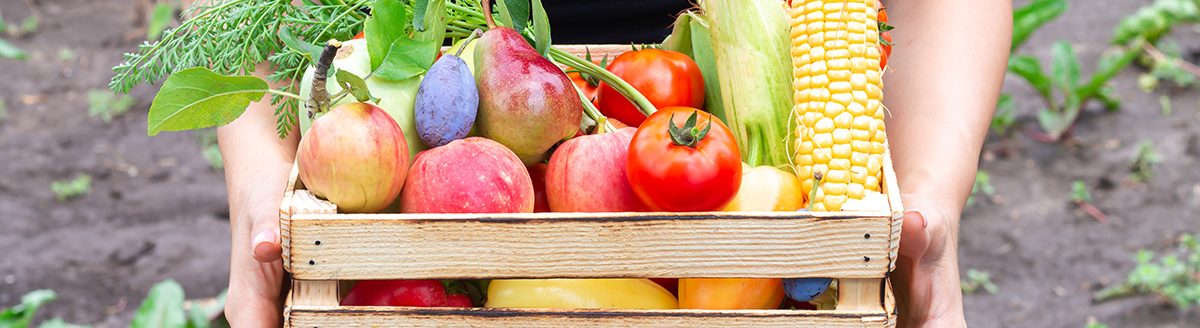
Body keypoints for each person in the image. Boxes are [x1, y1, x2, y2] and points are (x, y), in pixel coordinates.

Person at [217, 1, 1011, 327]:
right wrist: (261, 180)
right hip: (408, 183)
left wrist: (930, 187)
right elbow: (245, 19)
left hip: (748, 199)